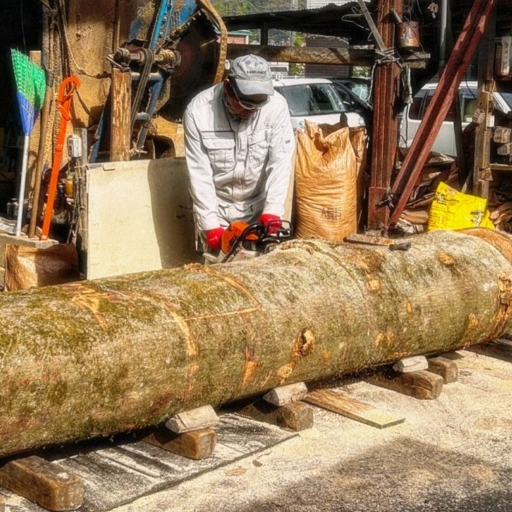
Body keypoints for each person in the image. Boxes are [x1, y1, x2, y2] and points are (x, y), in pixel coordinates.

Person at [183, 54, 295, 254]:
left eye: (258, 104)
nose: (251, 110)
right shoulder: (198, 112)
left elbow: (280, 163)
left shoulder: (277, 108)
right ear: (228, 87)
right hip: (218, 209)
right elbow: (200, 174)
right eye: (245, 103)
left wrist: (272, 212)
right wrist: (210, 226)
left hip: (258, 207)